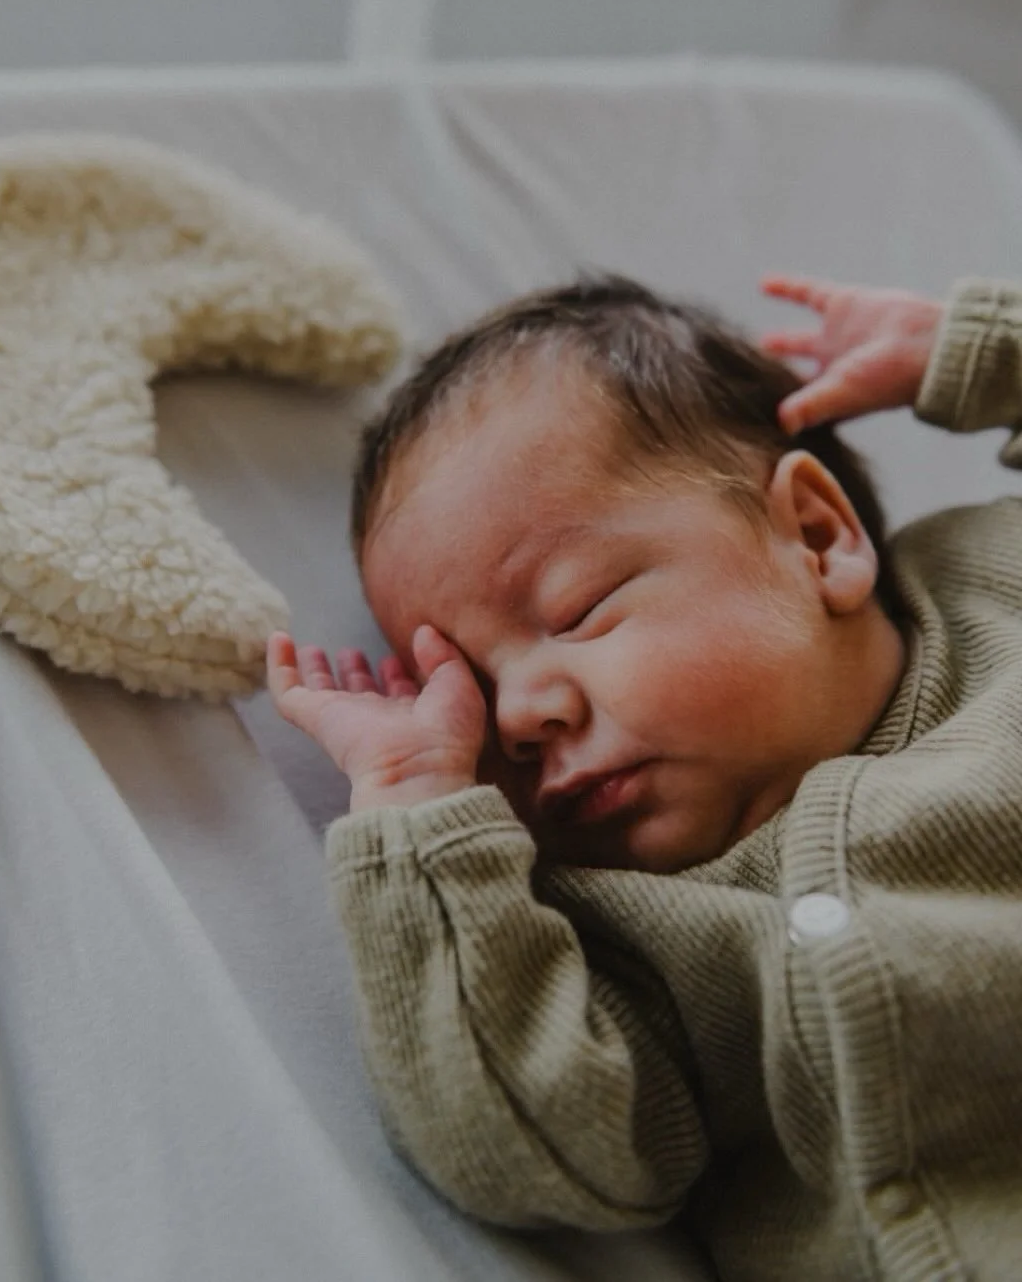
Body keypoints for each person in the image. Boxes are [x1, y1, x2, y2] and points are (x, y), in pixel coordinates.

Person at [266, 273, 1022, 1282]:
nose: (521, 715)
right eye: (474, 696)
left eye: (577, 609)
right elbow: (523, 1152)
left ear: (814, 536)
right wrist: (414, 798)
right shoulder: (626, 940)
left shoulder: (995, 586)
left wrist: (987, 352)